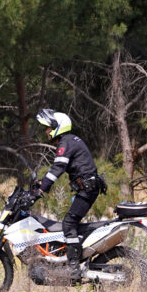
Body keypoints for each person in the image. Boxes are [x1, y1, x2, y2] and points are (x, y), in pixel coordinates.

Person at [32, 108, 105, 278]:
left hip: (88, 190)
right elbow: (57, 170)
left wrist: (42, 188)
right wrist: (42, 184)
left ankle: (73, 267)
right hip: (87, 188)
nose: (46, 131)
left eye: (48, 128)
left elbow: (58, 168)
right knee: (71, 223)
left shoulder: (66, 143)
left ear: (58, 127)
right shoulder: (70, 140)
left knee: (69, 223)